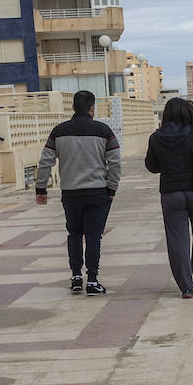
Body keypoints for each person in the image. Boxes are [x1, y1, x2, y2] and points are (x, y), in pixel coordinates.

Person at [34, 89, 120, 296]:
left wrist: (41, 188)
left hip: (70, 194)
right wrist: (112, 188)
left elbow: (45, 161)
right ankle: (92, 280)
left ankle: (75, 277)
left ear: (72, 107)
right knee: (93, 236)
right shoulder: (104, 131)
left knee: (74, 234)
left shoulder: (58, 131)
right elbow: (115, 162)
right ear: (92, 108)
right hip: (98, 193)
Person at [145, 97, 193, 298]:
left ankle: (186, 287)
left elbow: (151, 166)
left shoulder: (156, 137)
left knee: (177, 240)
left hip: (171, 194)